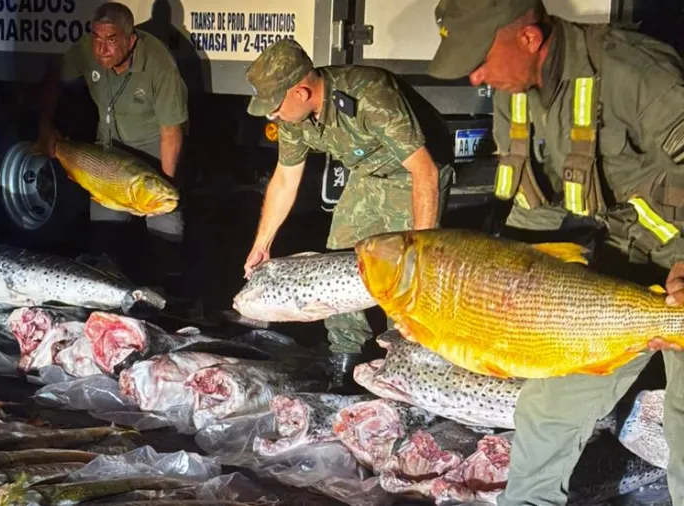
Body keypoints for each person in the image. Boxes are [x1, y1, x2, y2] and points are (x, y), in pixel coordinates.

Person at [426, 0, 684, 504]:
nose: (476, 76)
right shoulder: (514, 93)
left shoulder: (635, 72)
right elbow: (535, 207)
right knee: (547, 410)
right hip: (620, 264)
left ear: (528, 38)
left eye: (480, 58)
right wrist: (510, 284)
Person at [242, 38, 455, 392]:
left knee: (401, 270)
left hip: (415, 174)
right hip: (368, 175)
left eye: (275, 106)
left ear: (301, 91)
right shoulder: (295, 119)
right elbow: (284, 179)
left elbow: (425, 172)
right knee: (339, 259)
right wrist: (261, 245)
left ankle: (408, 369)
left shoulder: (371, 95)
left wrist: (420, 250)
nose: (272, 116)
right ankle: (345, 358)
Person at [37, 2, 189, 295]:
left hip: (152, 144)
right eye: (97, 37)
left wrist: (165, 182)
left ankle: (167, 292)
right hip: (108, 144)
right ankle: (110, 289)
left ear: (130, 41)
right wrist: (45, 124)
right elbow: (53, 78)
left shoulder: (159, 65)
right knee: (106, 225)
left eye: (112, 40)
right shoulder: (86, 49)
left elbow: (172, 132)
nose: (102, 49)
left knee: (166, 215)